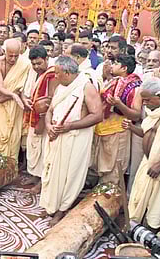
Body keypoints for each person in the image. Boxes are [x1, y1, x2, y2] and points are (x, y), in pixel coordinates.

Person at [40, 56, 103, 226]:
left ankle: (62, 209)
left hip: (75, 139)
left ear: (67, 73)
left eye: (58, 73)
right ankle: (51, 204)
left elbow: (98, 115)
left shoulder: (86, 87)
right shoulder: (61, 86)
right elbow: (50, 111)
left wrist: (71, 126)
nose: (55, 76)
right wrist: (48, 125)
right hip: (56, 136)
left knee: (71, 175)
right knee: (52, 170)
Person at [124, 78, 160, 230]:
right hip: (148, 163)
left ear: (159, 96)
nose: (144, 103)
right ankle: (138, 229)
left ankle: (154, 232)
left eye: (147, 100)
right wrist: (131, 127)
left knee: (158, 205)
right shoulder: (153, 113)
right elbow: (147, 134)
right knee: (139, 199)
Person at [93, 55, 142, 184]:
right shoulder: (115, 81)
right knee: (103, 167)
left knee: (115, 169)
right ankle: (100, 195)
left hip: (119, 130)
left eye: (116, 63)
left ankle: (110, 199)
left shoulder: (135, 87)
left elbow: (136, 115)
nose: (112, 66)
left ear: (124, 68)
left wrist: (118, 104)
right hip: (104, 128)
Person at [0, 39, 31, 163]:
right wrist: (13, 95)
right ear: (4, 52)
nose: (13, 59)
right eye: (10, 55)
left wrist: (17, 97)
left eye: (16, 56)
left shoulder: (25, 64)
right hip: (0, 103)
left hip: (15, 105)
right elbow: (0, 87)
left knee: (13, 136)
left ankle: (10, 167)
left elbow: (22, 88)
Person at [22, 46, 58, 193]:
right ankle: (35, 176)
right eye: (34, 64)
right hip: (33, 114)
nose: (36, 67)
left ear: (47, 59)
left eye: (39, 63)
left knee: (44, 152)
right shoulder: (34, 73)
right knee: (33, 148)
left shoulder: (52, 75)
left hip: (44, 119)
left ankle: (42, 182)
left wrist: (43, 121)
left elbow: (50, 100)